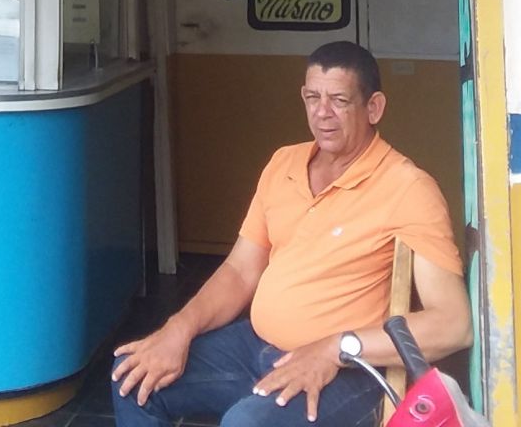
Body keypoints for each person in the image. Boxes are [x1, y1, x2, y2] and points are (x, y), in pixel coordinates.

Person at [111, 41, 471, 426]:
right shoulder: (284, 163)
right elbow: (239, 271)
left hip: (347, 369)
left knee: (247, 423)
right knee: (132, 378)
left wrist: (337, 348)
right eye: (312, 97)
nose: (322, 112)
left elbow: (454, 324)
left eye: (339, 100)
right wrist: (179, 329)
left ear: (374, 108)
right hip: (256, 347)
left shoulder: (407, 187)